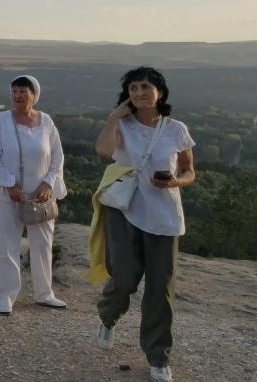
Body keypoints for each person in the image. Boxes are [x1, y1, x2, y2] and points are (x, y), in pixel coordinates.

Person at [93, 67, 195, 382]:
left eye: (145, 87)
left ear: (159, 92)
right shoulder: (121, 124)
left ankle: (158, 356)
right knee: (123, 278)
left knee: (159, 291)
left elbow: (190, 171)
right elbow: (103, 152)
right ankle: (107, 318)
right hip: (125, 211)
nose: (139, 92)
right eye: (134, 87)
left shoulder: (176, 129)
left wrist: (175, 181)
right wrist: (113, 116)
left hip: (164, 218)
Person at [0, 75, 68, 315]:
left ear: (34, 95)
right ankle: (5, 297)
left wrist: (49, 183)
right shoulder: (2, 120)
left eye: (23, 92)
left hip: (40, 195)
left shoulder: (47, 122)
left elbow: (58, 157)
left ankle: (44, 294)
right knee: (7, 243)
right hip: (6, 193)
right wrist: (10, 185)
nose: (17, 96)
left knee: (43, 243)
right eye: (14, 91)